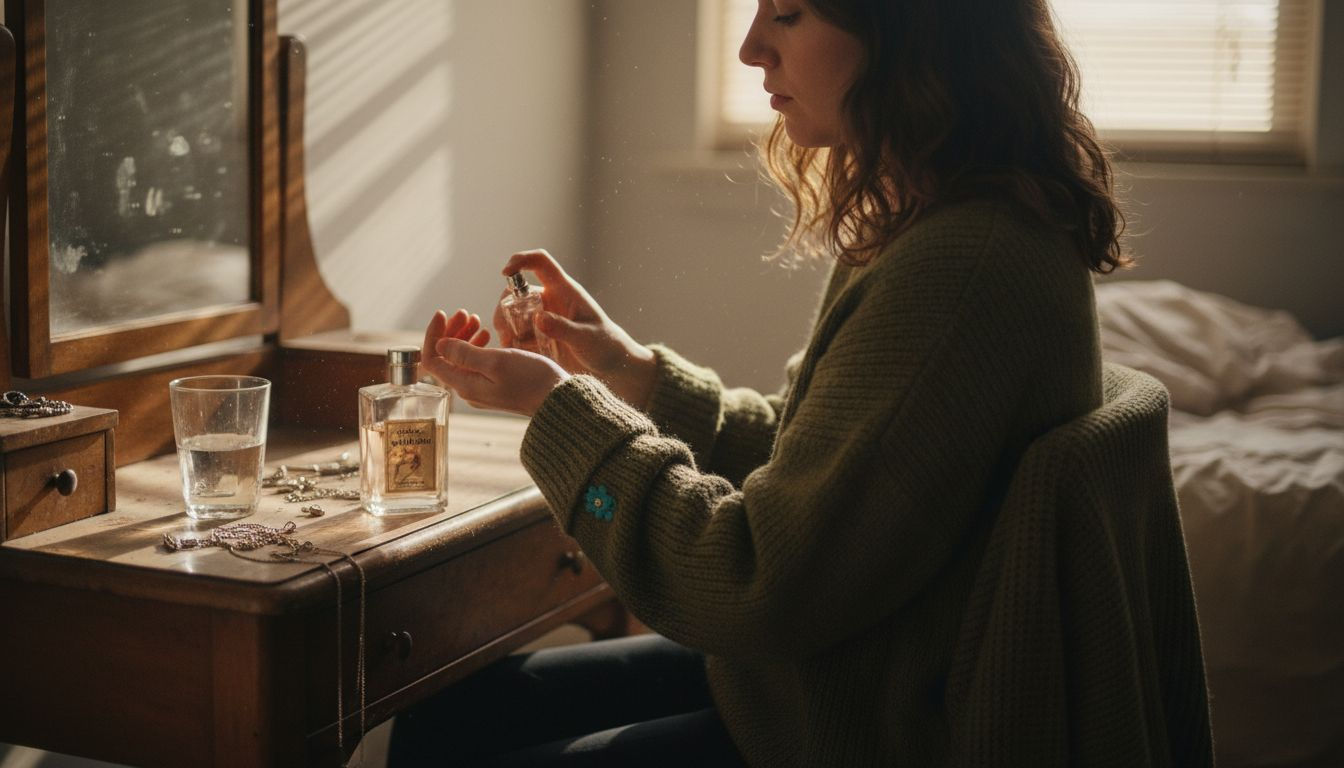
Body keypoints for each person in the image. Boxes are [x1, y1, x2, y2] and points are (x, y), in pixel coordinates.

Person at [388, 0, 1136, 764]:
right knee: (438, 722)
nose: (750, 49)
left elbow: (749, 583)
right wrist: (628, 371)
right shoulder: (937, 215)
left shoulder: (961, 270)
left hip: (855, 726)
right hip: (829, 675)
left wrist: (556, 410)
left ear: (913, 33)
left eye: (787, 14)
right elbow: (818, 464)